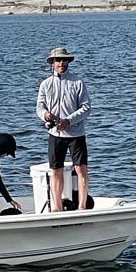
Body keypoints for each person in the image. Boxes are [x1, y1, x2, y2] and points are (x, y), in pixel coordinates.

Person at [35, 46, 91, 211]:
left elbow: (86, 108)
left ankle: (82, 205)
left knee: (81, 169)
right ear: (52, 63)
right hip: (55, 133)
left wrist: (69, 121)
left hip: (76, 133)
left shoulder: (77, 82)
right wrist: (45, 115)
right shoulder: (46, 84)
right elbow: (39, 107)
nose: (61, 63)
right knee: (56, 170)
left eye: (64, 60)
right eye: (58, 60)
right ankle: (57, 207)